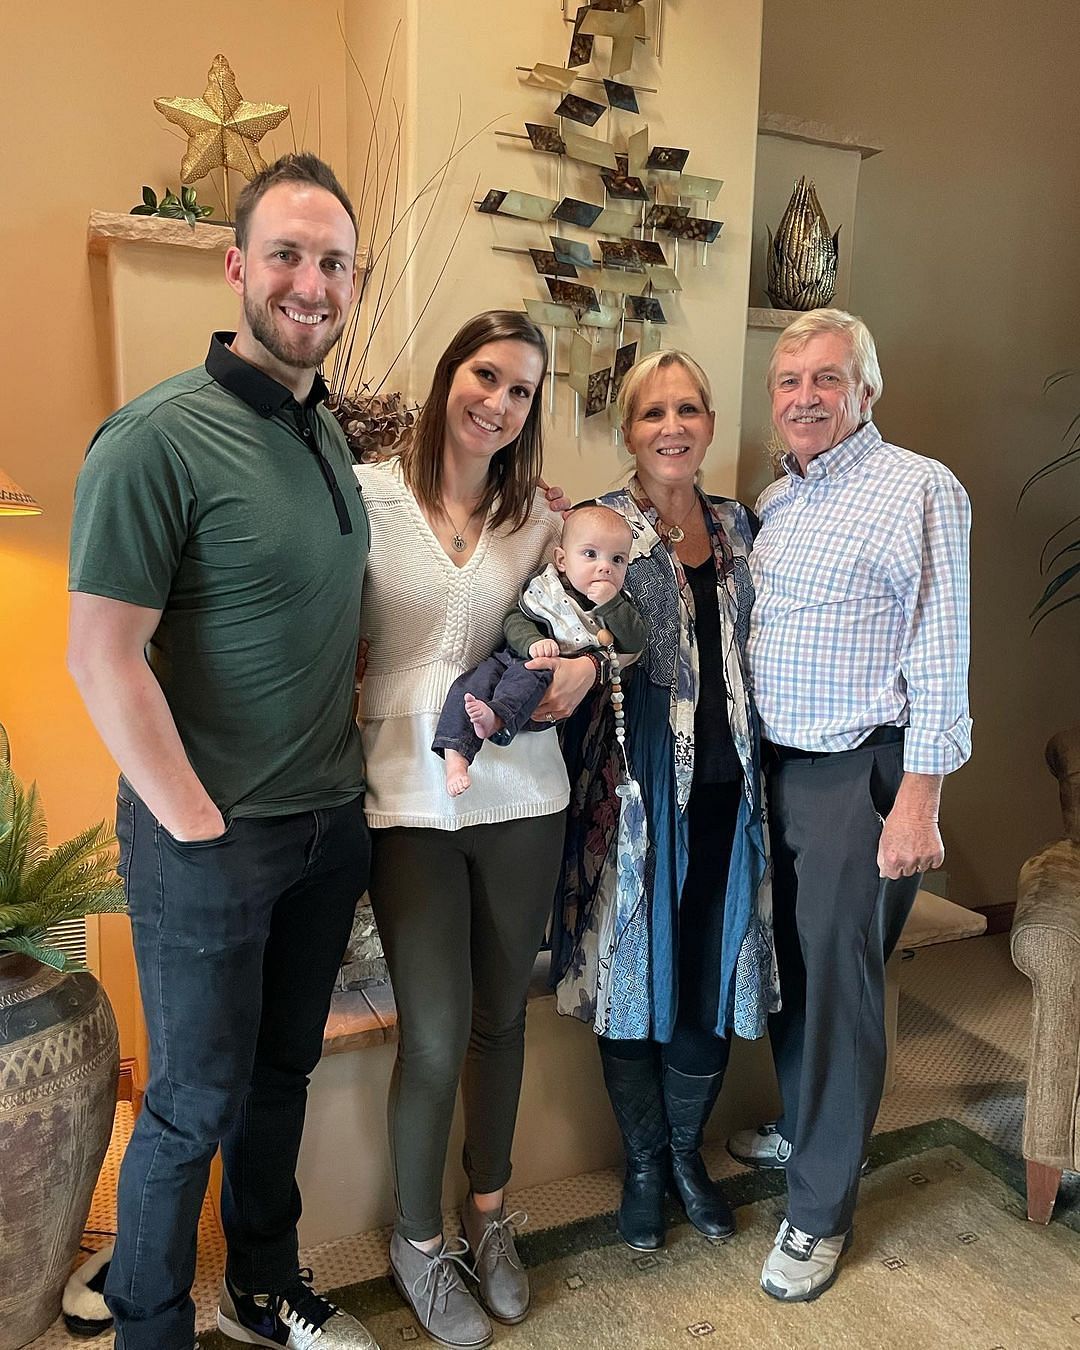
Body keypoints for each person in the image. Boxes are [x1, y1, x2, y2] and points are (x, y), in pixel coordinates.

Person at [67, 154, 378, 1350]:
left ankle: (262, 1286)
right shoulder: (154, 440)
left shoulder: (322, 433)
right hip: (208, 836)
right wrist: (198, 824)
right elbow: (102, 659)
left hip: (323, 827)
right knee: (190, 1104)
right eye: (288, 256)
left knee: (278, 1080)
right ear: (238, 266)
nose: (311, 283)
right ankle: (151, 1326)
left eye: (334, 263)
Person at [355, 311, 596, 1349]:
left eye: (520, 390)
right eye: (484, 374)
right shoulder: (364, 496)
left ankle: (487, 1217)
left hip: (524, 800)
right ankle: (417, 1240)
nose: (496, 402)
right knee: (438, 1031)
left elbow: (590, 615)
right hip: (405, 801)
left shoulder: (537, 522)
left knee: (503, 1022)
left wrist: (585, 671)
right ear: (449, 374)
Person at [729, 308, 972, 1302]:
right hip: (774, 771)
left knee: (839, 987)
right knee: (793, 968)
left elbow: (943, 655)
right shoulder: (774, 500)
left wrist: (919, 798)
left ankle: (819, 1210)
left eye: (827, 380)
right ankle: (808, 1123)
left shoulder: (919, 488)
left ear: (866, 391)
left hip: (858, 775)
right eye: (789, 382)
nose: (804, 398)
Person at [551, 350, 778, 1254]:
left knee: (707, 974)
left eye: (688, 409)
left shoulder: (741, 524)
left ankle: (689, 1155)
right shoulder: (600, 528)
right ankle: (645, 1165)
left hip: (732, 791)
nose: (671, 427)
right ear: (628, 430)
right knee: (630, 979)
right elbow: (554, 622)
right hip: (634, 797)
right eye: (652, 413)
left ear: (711, 423)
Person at [433, 503, 646, 795]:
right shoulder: (546, 589)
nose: (604, 566)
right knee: (468, 685)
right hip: (508, 658)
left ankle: (496, 717)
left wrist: (611, 604)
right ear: (561, 559)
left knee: (529, 677)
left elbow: (634, 641)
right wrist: (532, 641)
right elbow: (514, 620)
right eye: (590, 554)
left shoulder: (619, 605)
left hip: (543, 681)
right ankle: (456, 756)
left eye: (618, 559)